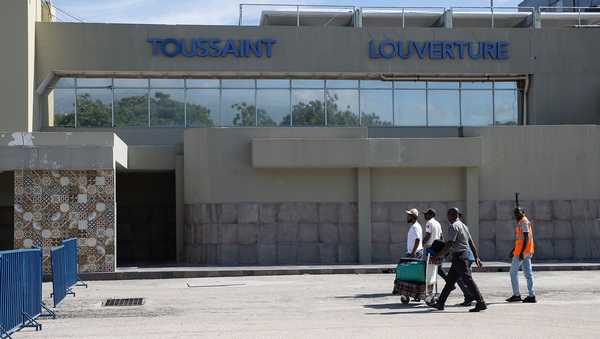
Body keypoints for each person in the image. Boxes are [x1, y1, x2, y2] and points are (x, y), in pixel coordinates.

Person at [426, 208, 487, 312]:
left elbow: (449, 244)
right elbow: (471, 243)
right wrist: (476, 256)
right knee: (450, 282)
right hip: (460, 257)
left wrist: (438, 255)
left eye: (448, 215)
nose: (447, 217)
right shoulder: (464, 226)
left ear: (452, 215)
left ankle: (480, 302)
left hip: (460, 257)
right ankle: (440, 303)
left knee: (468, 280)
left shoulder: (453, 226)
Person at [506, 207, 537, 303]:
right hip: (525, 251)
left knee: (513, 272)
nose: (516, 214)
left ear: (523, 212)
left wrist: (521, 252)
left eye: (518, 212)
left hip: (522, 252)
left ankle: (516, 295)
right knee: (528, 274)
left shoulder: (523, 222)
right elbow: (521, 239)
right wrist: (514, 249)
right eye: (515, 213)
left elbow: (526, 237)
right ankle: (532, 295)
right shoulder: (522, 222)